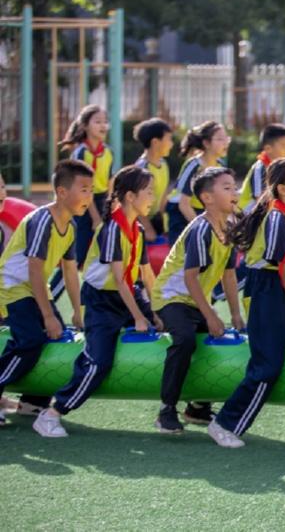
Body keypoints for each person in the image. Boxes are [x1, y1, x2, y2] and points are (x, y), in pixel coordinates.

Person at [34, 165, 162, 438]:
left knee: (173, 328)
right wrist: (139, 317)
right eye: (149, 192)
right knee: (98, 361)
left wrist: (156, 310)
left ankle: (177, 409)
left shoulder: (137, 228)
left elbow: (146, 273)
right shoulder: (112, 228)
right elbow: (119, 279)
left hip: (129, 294)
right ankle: (52, 413)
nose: (153, 197)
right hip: (102, 301)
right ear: (130, 196)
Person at [208, 158, 285, 448]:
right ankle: (224, 423)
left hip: (283, 288)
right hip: (264, 291)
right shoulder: (276, 220)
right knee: (268, 365)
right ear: (283, 190)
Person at [151, 167, 244, 434]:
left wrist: (235, 314)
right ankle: (166, 409)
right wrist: (211, 315)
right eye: (226, 188)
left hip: (194, 300)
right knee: (185, 340)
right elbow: (190, 278)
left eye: (234, 187)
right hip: (171, 298)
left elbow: (228, 274)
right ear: (207, 198)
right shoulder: (201, 230)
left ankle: (198, 407)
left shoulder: (228, 228)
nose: (235, 192)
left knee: (215, 342)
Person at [0, 160, 93, 427]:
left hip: (36, 287)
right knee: (30, 340)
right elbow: (34, 269)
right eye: (84, 190)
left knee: (58, 338)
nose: (89, 197)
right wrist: (48, 316)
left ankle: (33, 401)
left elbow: (70, 271)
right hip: (11, 286)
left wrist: (78, 311)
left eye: (91, 190)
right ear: (62, 192)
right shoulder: (42, 221)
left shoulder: (71, 226)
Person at [50, 106, 112, 300]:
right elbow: (83, 189)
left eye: (105, 121)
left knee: (104, 259)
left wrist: (109, 210)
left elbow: (109, 183)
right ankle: (48, 300)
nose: (103, 125)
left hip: (100, 203)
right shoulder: (81, 153)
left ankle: (96, 304)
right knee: (74, 259)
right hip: (82, 206)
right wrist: (95, 217)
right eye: (97, 121)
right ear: (85, 126)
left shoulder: (108, 152)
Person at [166, 121, 230, 244]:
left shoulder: (221, 166)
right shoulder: (194, 165)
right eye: (220, 139)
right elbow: (183, 204)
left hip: (201, 211)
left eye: (226, 138)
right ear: (206, 143)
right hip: (180, 213)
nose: (225, 142)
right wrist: (202, 228)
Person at [133, 118, 174, 240]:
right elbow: (135, 203)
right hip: (140, 223)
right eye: (169, 139)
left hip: (155, 221)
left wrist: (164, 226)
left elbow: (163, 199)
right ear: (155, 142)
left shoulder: (164, 165)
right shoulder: (142, 168)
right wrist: (148, 229)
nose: (172, 144)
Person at [238, 124, 285, 213]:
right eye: (283, 145)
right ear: (268, 149)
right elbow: (261, 199)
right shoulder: (260, 168)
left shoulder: (280, 167)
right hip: (248, 213)